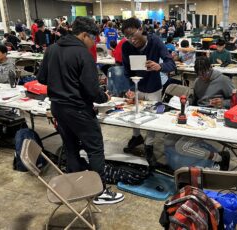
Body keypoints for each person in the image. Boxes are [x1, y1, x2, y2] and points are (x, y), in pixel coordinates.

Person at [37, 16, 124, 205]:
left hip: (58, 108)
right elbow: (92, 90)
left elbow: (42, 79)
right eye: (93, 38)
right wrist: (104, 97)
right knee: (95, 149)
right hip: (78, 109)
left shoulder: (52, 49)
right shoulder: (83, 54)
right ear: (84, 35)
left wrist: (61, 82)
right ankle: (99, 192)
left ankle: (77, 184)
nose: (94, 43)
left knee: (71, 147)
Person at [120, 17, 176, 167]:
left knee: (151, 117)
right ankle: (136, 137)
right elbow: (126, 70)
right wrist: (130, 89)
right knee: (134, 113)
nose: (132, 40)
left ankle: (149, 145)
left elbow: (171, 64)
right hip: (136, 86)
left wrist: (160, 66)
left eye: (133, 34)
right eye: (127, 37)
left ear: (140, 29)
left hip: (153, 86)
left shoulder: (155, 42)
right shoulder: (126, 47)